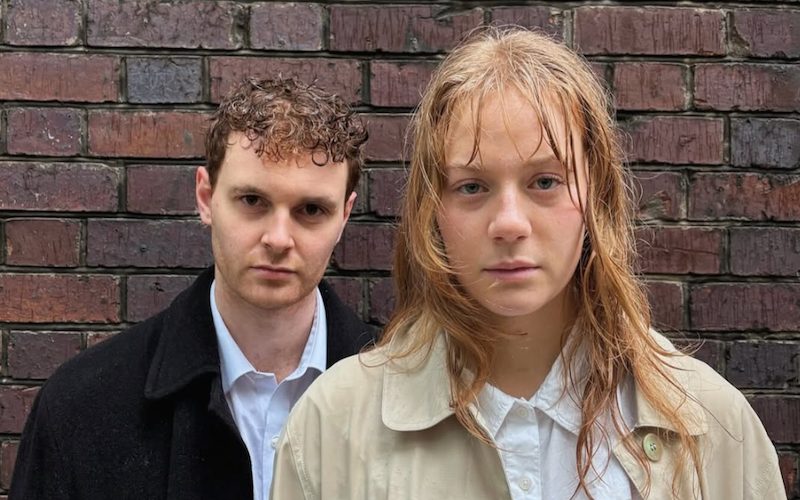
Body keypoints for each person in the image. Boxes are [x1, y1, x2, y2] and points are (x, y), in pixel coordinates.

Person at [270, 28, 785, 500]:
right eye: (472, 187)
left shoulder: (714, 424)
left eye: (545, 182)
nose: (509, 223)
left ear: (597, 195)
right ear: (434, 211)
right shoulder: (331, 428)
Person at [10, 77, 377, 500]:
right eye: (253, 201)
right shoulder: (80, 408)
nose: (278, 238)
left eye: (311, 210)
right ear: (206, 197)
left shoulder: (403, 402)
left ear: (344, 216)